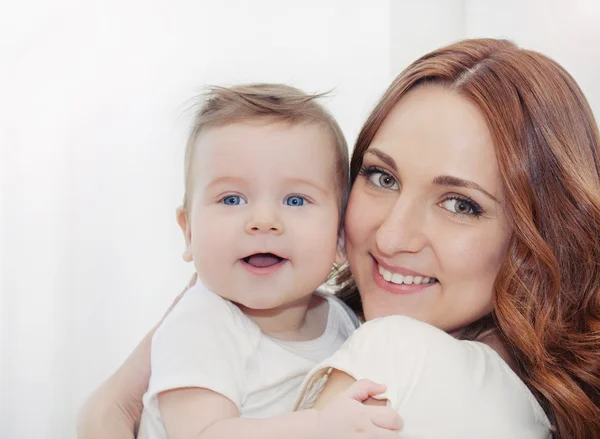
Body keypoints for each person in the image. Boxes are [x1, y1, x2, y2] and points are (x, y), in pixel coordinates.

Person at [77, 39, 600, 439]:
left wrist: (110, 406)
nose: (392, 236)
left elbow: (113, 410)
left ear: (537, 245)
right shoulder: (328, 319)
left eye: (460, 204)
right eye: (382, 177)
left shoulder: (398, 350)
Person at [135, 83, 403, 439]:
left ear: (340, 237)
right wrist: (320, 428)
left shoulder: (341, 321)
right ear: (188, 232)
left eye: (295, 200)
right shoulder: (201, 325)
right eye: (231, 199)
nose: (263, 220)